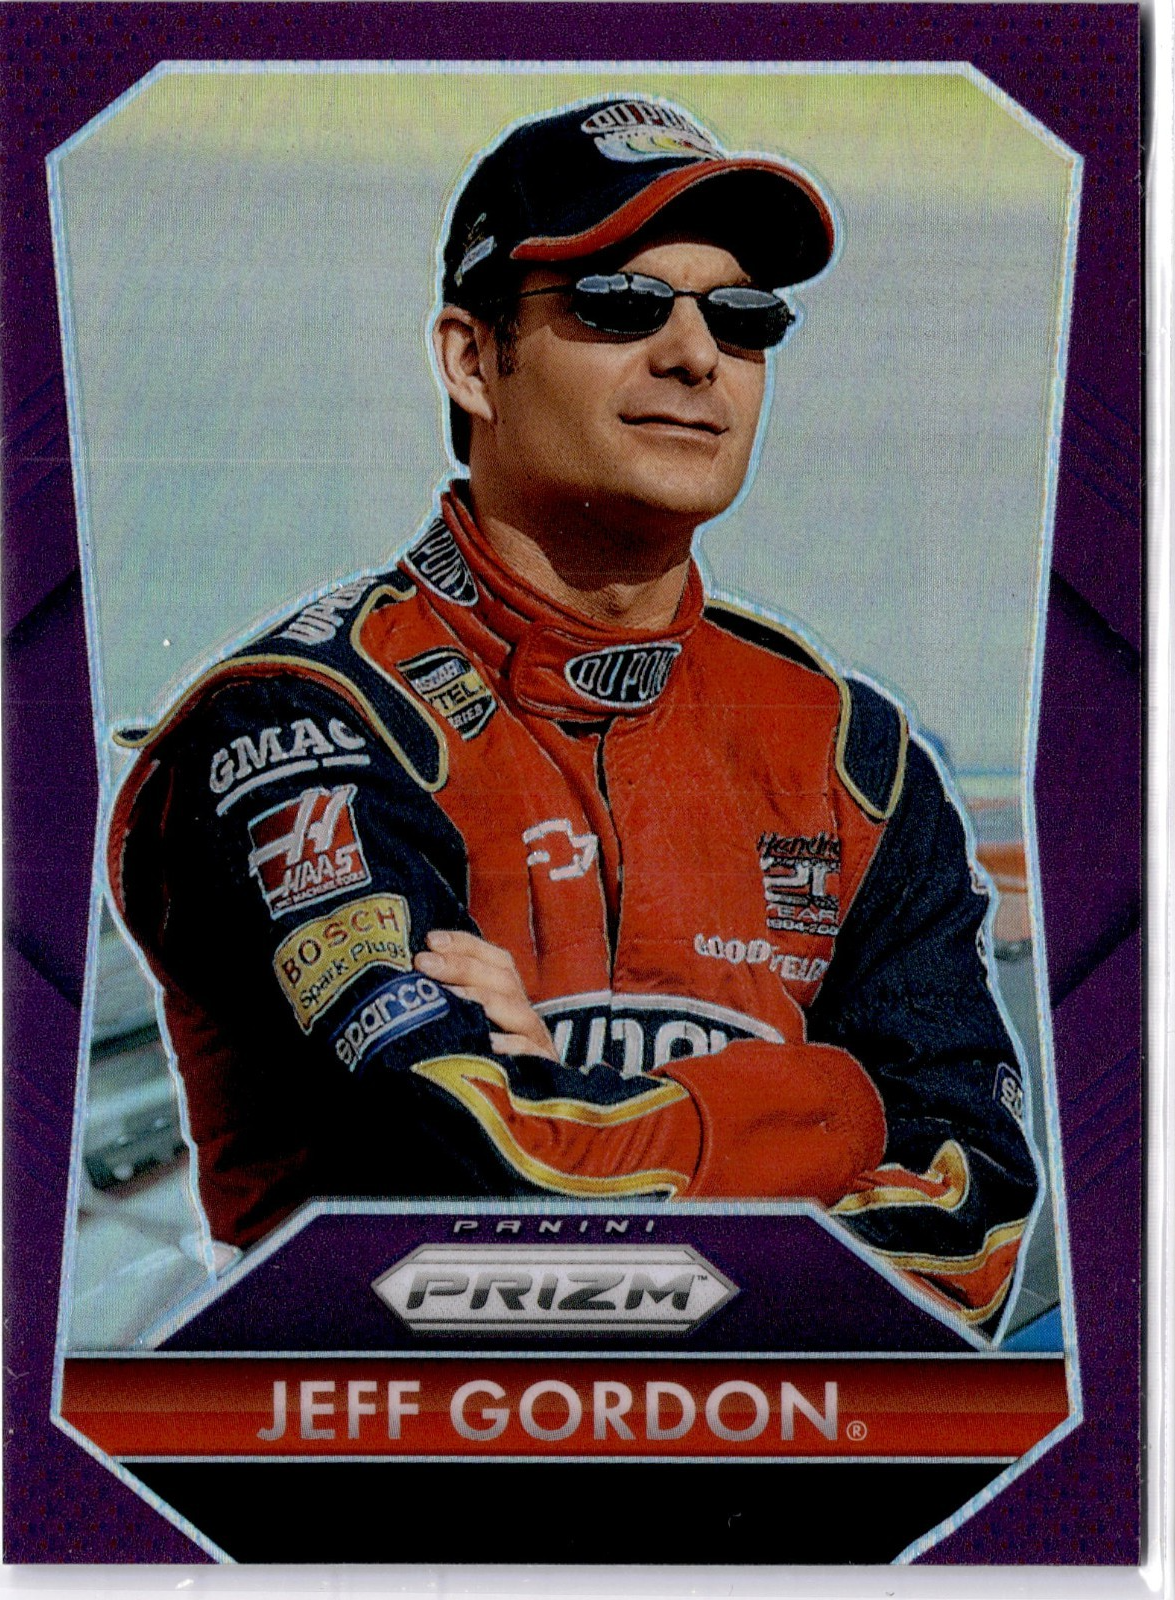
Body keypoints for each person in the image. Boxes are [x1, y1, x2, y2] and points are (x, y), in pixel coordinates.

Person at [107, 96, 1039, 1335]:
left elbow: (969, 1233)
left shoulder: (849, 756)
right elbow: (467, 1172)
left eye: (744, 319)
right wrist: (826, 1103)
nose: (695, 355)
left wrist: (561, 1098)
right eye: (618, 303)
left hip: (765, 1450)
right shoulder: (299, 719)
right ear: (469, 360)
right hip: (370, 1438)